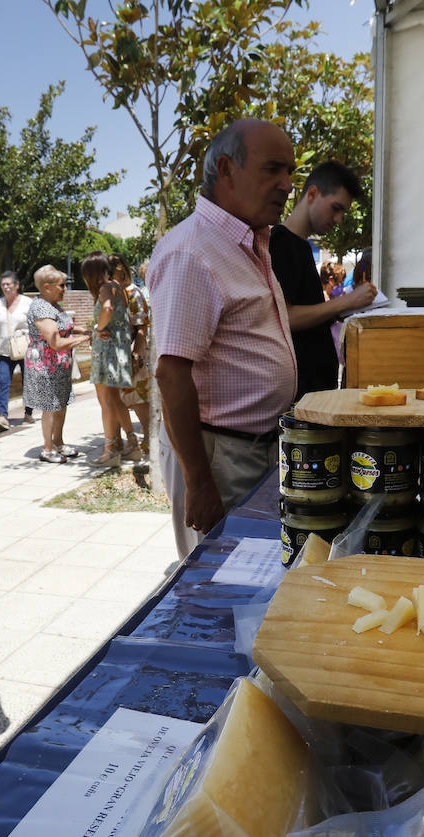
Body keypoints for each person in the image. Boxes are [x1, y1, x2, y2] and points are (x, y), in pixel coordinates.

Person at [149, 119, 299, 557]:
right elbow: (171, 374)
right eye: (273, 169)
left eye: (290, 171)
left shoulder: (250, 242)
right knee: (222, 578)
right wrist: (199, 482)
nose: (287, 184)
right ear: (227, 170)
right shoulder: (192, 251)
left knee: (257, 571)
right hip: (218, 455)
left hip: (256, 448)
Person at [271, 161, 377, 396]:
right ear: (312, 194)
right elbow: (284, 317)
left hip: (315, 391)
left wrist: (340, 310)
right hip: (298, 397)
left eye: (343, 213)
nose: (338, 219)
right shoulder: (280, 243)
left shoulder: (301, 246)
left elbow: (306, 312)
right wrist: (345, 302)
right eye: (336, 208)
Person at [24, 265, 92, 462]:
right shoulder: (41, 308)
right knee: (50, 406)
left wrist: (83, 330)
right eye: (62, 285)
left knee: (61, 404)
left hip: (59, 365)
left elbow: (63, 326)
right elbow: (55, 342)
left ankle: (58, 443)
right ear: (47, 286)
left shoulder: (53, 304)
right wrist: (84, 339)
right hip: (45, 366)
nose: (65, 289)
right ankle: (47, 449)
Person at [84, 251, 142, 467]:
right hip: (119, 349)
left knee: (107, 401)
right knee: (116, 400)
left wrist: (97, 329)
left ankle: (110, 451)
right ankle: (132, 444)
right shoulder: (119, 287)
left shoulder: (106, 288)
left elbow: (107, 308)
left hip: (107, 351)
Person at [113, 253, 152, 457]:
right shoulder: (112, 292)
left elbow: (142, 326)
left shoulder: (132, 292)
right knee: (122, 397)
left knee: (137, 396)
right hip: (117, 354)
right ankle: (121, 440)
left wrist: (136, 354)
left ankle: (149, 437)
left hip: (133, 351)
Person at [0, 269, 35, 430]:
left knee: (27, 382)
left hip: (24, 349)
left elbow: (36, 323)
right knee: (3, 382)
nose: (6, 287)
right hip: (4, 351)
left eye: (9, 284)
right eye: (3, 284)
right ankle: (3, 416)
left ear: (17, 285)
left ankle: (28, 413)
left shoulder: (27, 302)